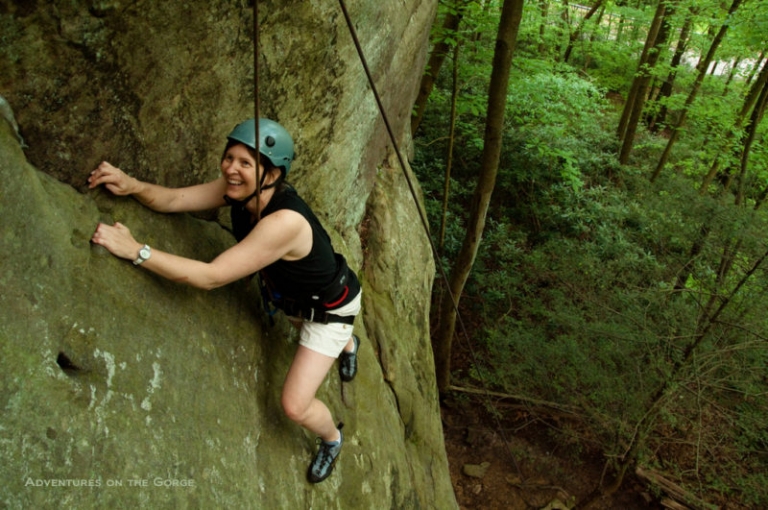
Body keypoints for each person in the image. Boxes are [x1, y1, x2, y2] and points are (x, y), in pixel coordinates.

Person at [88, 118, 361, 484]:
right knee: (300, 319)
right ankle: (346, 343)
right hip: (295, 300)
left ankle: (332, 437)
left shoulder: (285, 222)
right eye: (229, 157)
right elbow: (175, 199)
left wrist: (136, 251)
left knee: (295, 405)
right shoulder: (240, 190)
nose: (231, 168)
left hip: (329, 311)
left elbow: (211, 276)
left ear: (273, 174)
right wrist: (131, 184)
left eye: (246, 163)